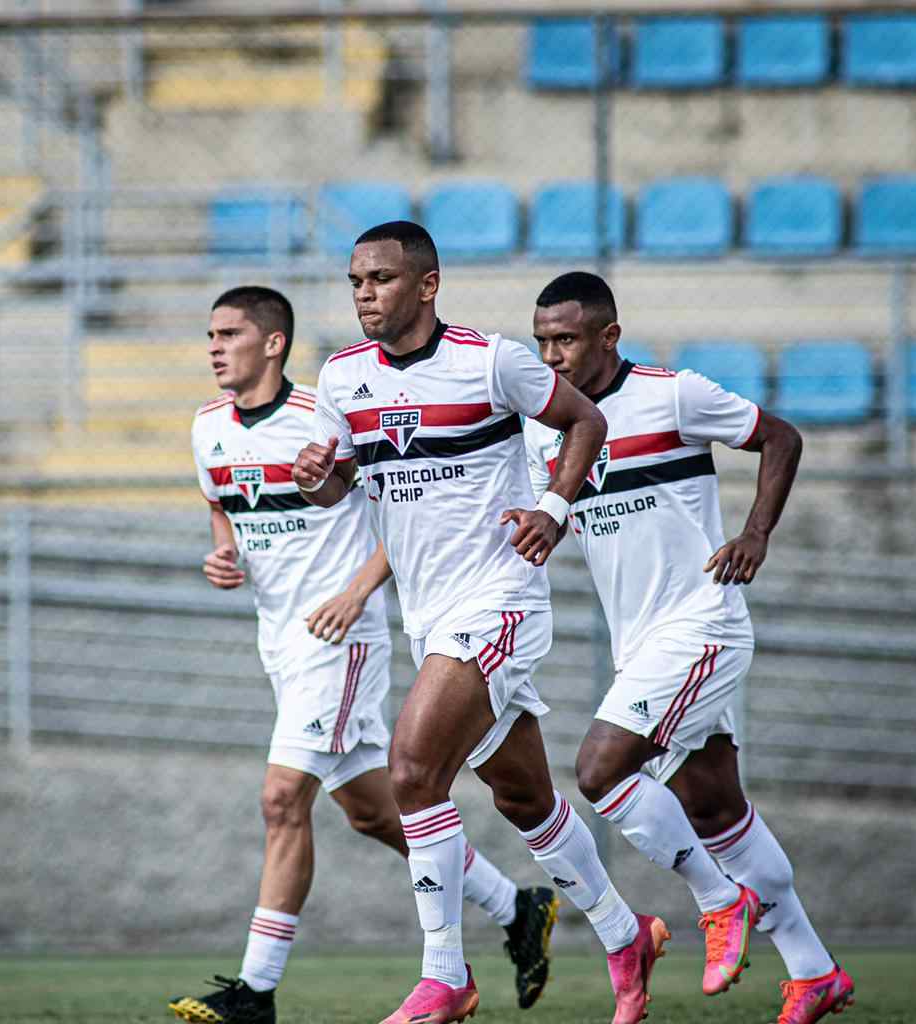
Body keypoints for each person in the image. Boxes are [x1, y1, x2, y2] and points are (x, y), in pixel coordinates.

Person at [293, 224, 667, 1024]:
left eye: (382, 279)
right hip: (426, 616)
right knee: (523, 796)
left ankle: (445, 976)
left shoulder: (491, 360)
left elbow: (586, 424)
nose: (364, 293)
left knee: (410, 771)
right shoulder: (341, 378)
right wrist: (319, 482)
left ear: (427, 285)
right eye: (356, 279)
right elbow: (341, 491)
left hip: (499, 598)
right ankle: (622, 930)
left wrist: (555, 509)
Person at [171, 286, 559, 1024]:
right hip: (279, 642)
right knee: (375, 813)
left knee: (282, 798)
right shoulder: (207, 427)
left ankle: (255, 992)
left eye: (229, 333)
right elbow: (222, 504)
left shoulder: (323, 412)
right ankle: (517, 909)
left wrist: (357, 593)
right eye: (210, 334)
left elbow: (397, 506)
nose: (215, 347)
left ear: (273, 343)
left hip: (340, 641)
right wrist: (224, 555)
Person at [523, 271, 854, 1024]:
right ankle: (814, 971)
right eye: (541, 341)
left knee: (600, 771)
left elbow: (781, 436)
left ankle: (717, 900)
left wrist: (756, 533)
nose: (552, 357)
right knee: (714, 807)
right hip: (638, 641)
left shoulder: (673, 394)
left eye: (566, 340)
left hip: (702, 624)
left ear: (608, 336)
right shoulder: (548, 426)